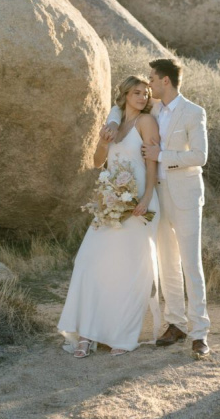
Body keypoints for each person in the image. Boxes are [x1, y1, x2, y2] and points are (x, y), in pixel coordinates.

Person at [103, 57, 210, 357]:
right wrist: (112, 120)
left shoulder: (193, 112)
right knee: (167, 263)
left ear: (166, 80)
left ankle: (200, 332)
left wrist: (162, 155)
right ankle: (176, 324)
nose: (148, 84)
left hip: (185, 196)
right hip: (158, 198)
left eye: (152, 78)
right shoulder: (153, 108)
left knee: (191, 264)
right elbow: (119, 106)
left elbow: (200, 156)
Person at [57, 75, 160, 357]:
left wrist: (147, 197)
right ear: (125, 95)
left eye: (146, 93)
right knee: (89, 262)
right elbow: (96, 161)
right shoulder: (115, 123)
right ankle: (87, 334)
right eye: (137, 92)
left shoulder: (146, 122)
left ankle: (121, 336)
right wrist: (104, 141)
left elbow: (153, 161)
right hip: (110, 201)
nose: (143, 97)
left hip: (139, 203)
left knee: (129, 271)